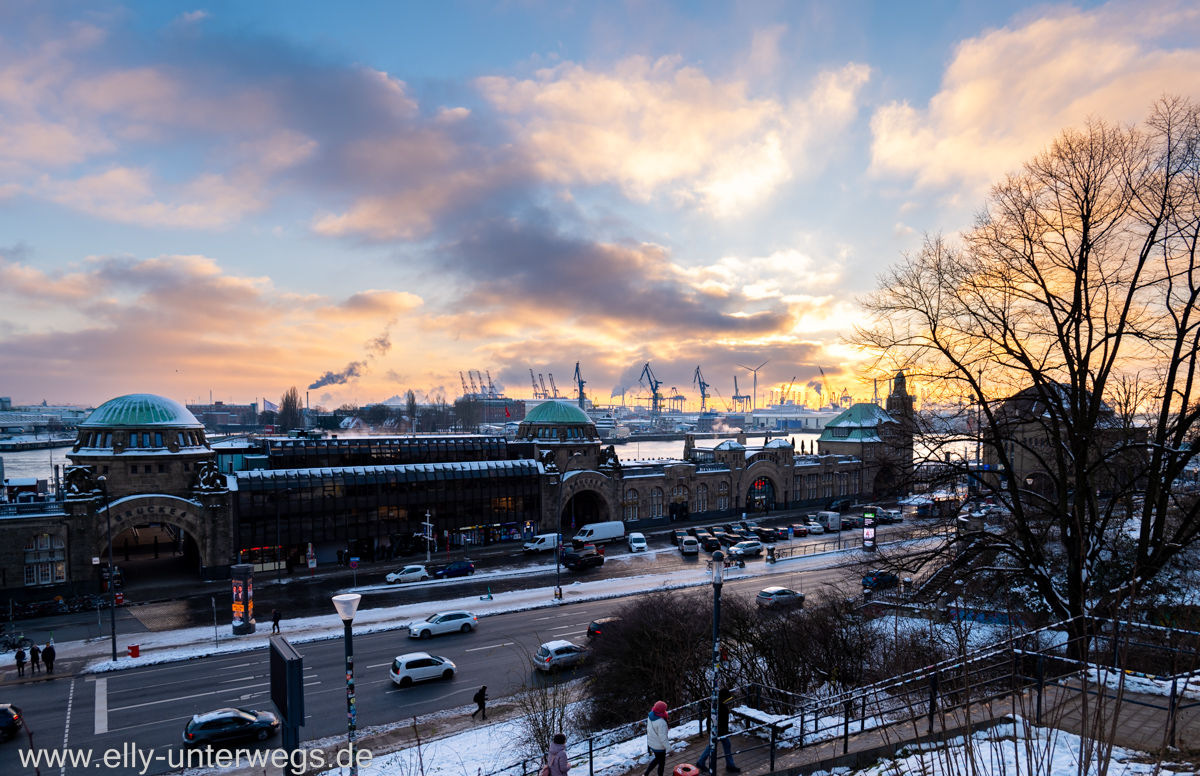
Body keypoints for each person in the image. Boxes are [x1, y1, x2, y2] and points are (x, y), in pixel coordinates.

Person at [697, 687, 740, 773]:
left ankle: (701, 762)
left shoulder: (717, 705)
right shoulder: (718, 707)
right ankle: (729, 765)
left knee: (715, 746)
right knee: (717, 746)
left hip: (719, 731)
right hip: (719, 732)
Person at [643, 701, 669, 776]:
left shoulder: (650, 716)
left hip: (652, 744)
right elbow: (663, 738)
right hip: (659, 746)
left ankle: (646, 773)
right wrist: (669, 750)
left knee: (657, 759)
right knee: (661, 763)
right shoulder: (662, 722)